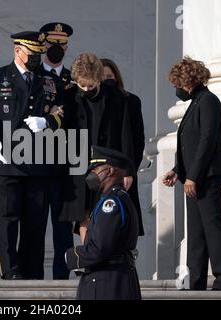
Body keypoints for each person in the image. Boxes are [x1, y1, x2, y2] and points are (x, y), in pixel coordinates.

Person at [0, 31, 63, 280]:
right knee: (6, 218)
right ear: (18, 51)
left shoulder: (50, 81)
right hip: (4, 161)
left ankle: (33, 272)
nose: (37, 58)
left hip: (38, 160)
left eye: (39, 54)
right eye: (32, 54)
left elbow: (62, 111)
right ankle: (10, 271)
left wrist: (47, 121)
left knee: (35, 222)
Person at [162, 56, 221, 290]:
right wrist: (178, 170)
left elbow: (207, 141)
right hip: (193, 177)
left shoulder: (208, 101)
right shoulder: (196, 102)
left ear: (187, 81)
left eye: (177, 84)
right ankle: (196, 281)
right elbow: (191, 143)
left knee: (212, 228)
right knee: (196, 232)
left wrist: (193, 176)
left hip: (206, 177)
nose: (176, 89)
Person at [60, 53, 135, 244]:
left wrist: (127, 170)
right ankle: (88, 259)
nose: (85, 89)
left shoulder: (117, 98)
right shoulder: (68, 96)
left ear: (99, 79)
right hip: (79, 165)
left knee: (109, 211)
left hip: (109, 165)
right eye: (81, 85)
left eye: (90, 86)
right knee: (84, 215)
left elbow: (125, 135)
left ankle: (106, 261)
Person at [65, 146, 141, 300]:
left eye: (96, 169)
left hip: (108, 284)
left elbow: (100, 248)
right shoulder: (111, 199)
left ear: (110, 171)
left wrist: (71, 256)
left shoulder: (111, 203)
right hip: (109, 279)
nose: (92, 174)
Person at [38, 22, 74, 280]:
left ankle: (63, 276)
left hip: (64, 162)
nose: (57, 48)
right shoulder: (33, 78)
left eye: (62, 43)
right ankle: (32, 278)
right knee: (35, 225)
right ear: (43, 44)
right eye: (52, 43)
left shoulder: (74, 80)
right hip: (36, 160)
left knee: (63, 226)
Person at [100, 58, 145, 236]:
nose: (106, 81)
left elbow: (137, 139)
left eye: (109, 76)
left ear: (116, 77)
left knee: (123, 216)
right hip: (98, 170)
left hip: (123, 167)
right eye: (101, 77)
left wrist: (129, 169)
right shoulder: (92, 102)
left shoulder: (131, 101)